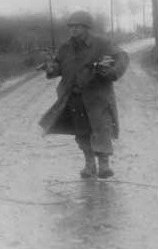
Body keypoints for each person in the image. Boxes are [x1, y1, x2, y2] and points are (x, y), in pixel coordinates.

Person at [39, 10, 129, 179]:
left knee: (101, 128)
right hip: (74, 96)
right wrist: (51, 67)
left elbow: (122, 56)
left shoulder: (102, 43)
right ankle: (89, 164)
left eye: (77, 27)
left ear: (87, 27)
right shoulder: (65, 48)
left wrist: (111, 72)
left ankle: (104, 165)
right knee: (82, 131)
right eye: (71, 27)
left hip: (98, 97)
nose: (73, 30)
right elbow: (59, 68)